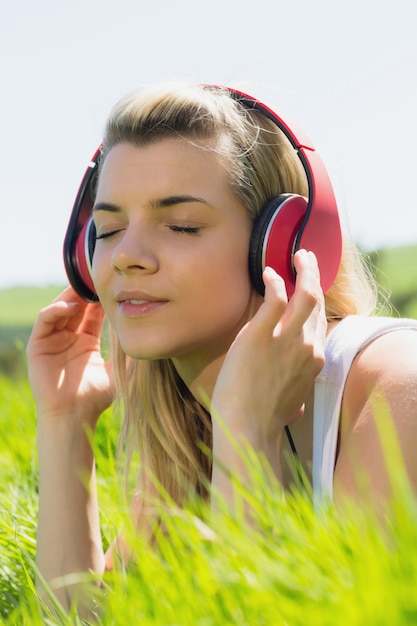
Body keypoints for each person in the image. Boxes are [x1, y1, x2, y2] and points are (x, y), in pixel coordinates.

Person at [27, 82, 417, 613]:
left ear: (282, 246)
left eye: (181, 225)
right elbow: (80, 622)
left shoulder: (397, 392)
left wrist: (247, 437)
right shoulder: (187, 440)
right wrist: (64, 422)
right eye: (109, 228)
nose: (126, 257)